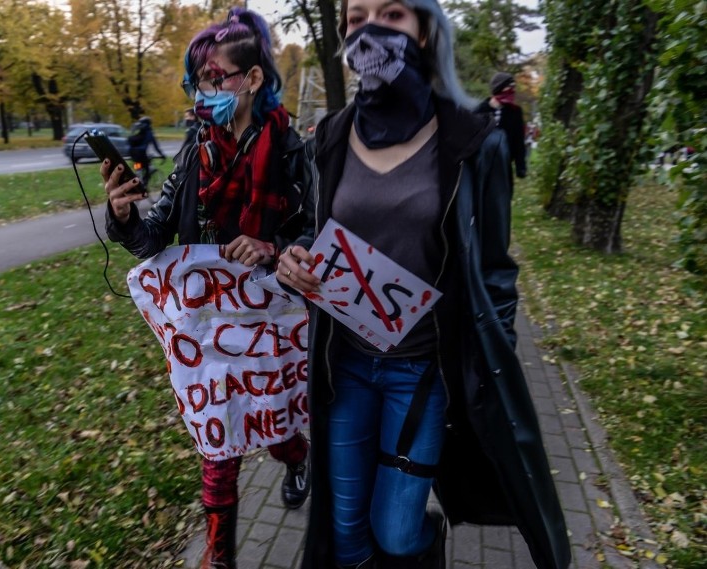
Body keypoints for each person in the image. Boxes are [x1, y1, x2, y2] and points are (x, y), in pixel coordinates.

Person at [275, 1, 570, 568]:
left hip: (421, 375)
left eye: (392, 14)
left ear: (427, 33)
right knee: (343, 530)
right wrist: (296, 262)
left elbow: (495, 272)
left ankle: (423, 552)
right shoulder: (330, 136)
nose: (371, 31)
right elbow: (316, 234)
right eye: (357, 18)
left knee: (396, 532)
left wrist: (487, 363)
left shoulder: (475, 141)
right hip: (346, 370)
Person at [101, 8, 312, 568]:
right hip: (211, 329)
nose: (204, 91)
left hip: (272, 324)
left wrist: (273, 248)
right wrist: (124, 217)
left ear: (254, 79)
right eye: (198, 80)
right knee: (220, 443)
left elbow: (317, 231)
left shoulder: (294, 151)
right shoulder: (196, 150)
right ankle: (219, 557)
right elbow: (154, 239)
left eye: (216, 77)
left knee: (273, 423)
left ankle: (296, 459)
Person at [476, 71, 527, 182]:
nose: (512, 90)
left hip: (503, 165)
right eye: (509, 87)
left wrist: (520, 166)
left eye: (513, 87)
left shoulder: (515, 112)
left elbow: (519, 140)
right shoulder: (480, 110)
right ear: (500, 87)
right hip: (481, 164)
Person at [127, 116, 166, 185]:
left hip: (132, 152)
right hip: (141, 153)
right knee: (147, 170)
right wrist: (162, 155)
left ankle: (137, 177)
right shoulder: (149, 132)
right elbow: (155, 146)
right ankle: (143, 187)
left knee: (138, 167)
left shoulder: (137, 129)